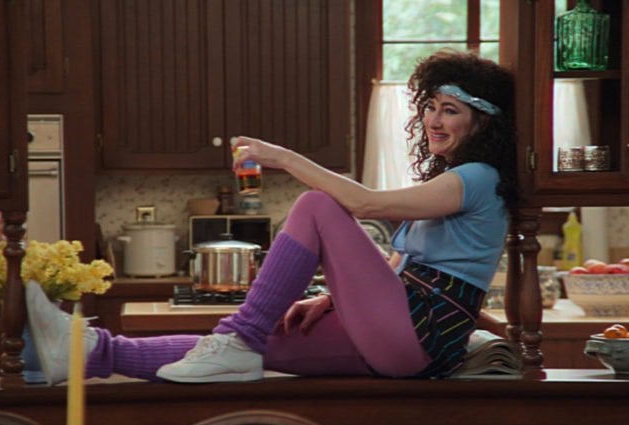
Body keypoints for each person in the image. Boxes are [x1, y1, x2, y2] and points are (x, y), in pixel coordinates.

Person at [26, 49, 518, 385]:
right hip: (408, 338)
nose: (434, 120)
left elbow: (366, 205)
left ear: (483, 122)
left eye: (450, 110)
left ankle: (238, 334)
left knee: (317, 206)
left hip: (417, 332)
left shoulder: (478, 176)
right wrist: (334, 297)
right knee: (253, 347)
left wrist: (281, 156)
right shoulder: (458, 178)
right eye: (431, 107)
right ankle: (89, 351)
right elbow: (410, 269)